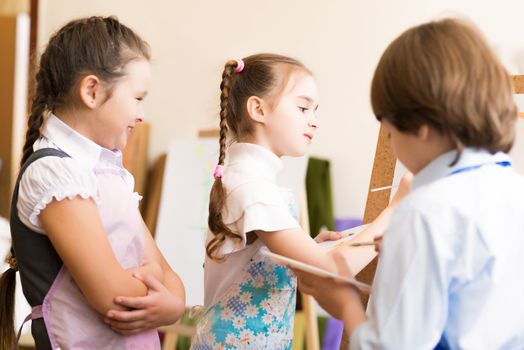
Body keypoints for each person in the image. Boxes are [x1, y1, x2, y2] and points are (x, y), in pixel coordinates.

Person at [296, 18, 524, 349]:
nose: (391, 144)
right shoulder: (513, 188)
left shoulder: (425, 211)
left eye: (389, 130)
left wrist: (345, 303)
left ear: (420, 125)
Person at [190, 53, 405, 349]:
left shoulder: (251, 181)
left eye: (315, 110)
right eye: (303, 107)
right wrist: (394, 210)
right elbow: (329, 271)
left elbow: (257, 257)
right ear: (258, 109)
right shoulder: (252, 188)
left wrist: (310, 249)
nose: (314, 121)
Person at [0, 16, 185, 350]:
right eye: (138, 97)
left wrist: (171, 303)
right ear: (92, 91)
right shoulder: (55, 175)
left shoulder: (110, 175)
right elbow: (114, 296)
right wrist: (162, 293)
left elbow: (173, 281)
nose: (142, 114)